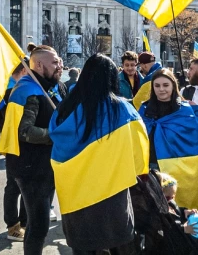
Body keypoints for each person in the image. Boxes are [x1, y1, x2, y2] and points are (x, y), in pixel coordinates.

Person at [50, 53, 149, 254]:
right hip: (112, 195)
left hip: (74, 196)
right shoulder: (120, 108)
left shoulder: (64, 109)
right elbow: (140, 150)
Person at [4, 46, 66, 254]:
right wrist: (58, 135)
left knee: (38, 224)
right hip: (31, 169)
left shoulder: (53, 88)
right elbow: (25, 131)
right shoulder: (27, 91)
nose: (60, 66)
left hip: (47, 166)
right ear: (39, 65)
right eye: (55, 62)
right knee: (38, 226)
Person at [139, 68, 198, 212]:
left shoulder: (185, 111)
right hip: (151, 167)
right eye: (157, 86)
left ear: (173, 86)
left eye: (165, 85)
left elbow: (193, 142)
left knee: (180, 208)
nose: (161, 89)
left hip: (180, 168)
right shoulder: (143, 109)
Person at [0, 60, 29, 242]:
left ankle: (24, 223)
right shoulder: (9, 91)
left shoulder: (17, 89)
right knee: (14, 187)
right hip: (13, 145)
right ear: (24, 70)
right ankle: (13, 226)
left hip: (22, 145)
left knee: (25, 187)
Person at [159, 173, 198, 255]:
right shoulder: (157, 211)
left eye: (173, 196)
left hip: (181, 236)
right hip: (171, 244)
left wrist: (185, 211)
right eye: (168, 198)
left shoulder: (170, 203)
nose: (171, 199)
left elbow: (177, 211)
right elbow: (164, 232)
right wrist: (184, 229)